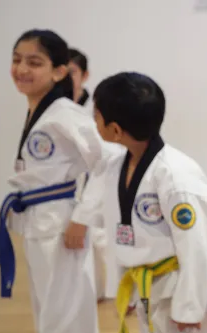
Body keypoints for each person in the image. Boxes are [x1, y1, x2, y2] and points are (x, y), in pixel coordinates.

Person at [83, 71, 207, 333]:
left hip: (182, 289)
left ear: (116, 129)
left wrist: (189, 306)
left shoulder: (175, 175)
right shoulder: (117, 169)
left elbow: (195, 245)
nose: (93, 121)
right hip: (147, 293)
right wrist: (120, 290)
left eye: (96, 115)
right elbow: (118, 234)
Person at [0, 29, 113, 333]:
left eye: (34, 62)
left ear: (60, 71)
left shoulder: (65, 114)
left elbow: (107, 163)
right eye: (17, 59)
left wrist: (83, 216)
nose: (21, 69)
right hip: (41, 228)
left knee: (63, 330)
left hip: (61, 230)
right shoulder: (41, 109)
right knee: (57, 326)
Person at [68, 47, 122, 303]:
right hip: (75, 188)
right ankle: (96, 291)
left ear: (84, 74)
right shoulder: (61, 111)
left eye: (73, 72)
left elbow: (109, 154)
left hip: (104, 181)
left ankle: (121, 292)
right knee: (85, 244)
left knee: (105, 239)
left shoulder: (96, 110)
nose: (67, 77)